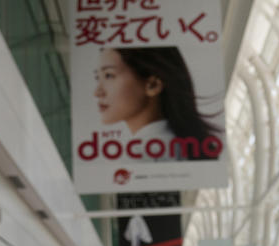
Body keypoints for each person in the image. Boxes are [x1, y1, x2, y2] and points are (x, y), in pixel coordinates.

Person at [94, 46, 222, 160]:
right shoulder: (177, 145)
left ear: (152, 85)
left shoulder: (141, 155)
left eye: (109, 75)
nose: (97, 92)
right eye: (97, 77)